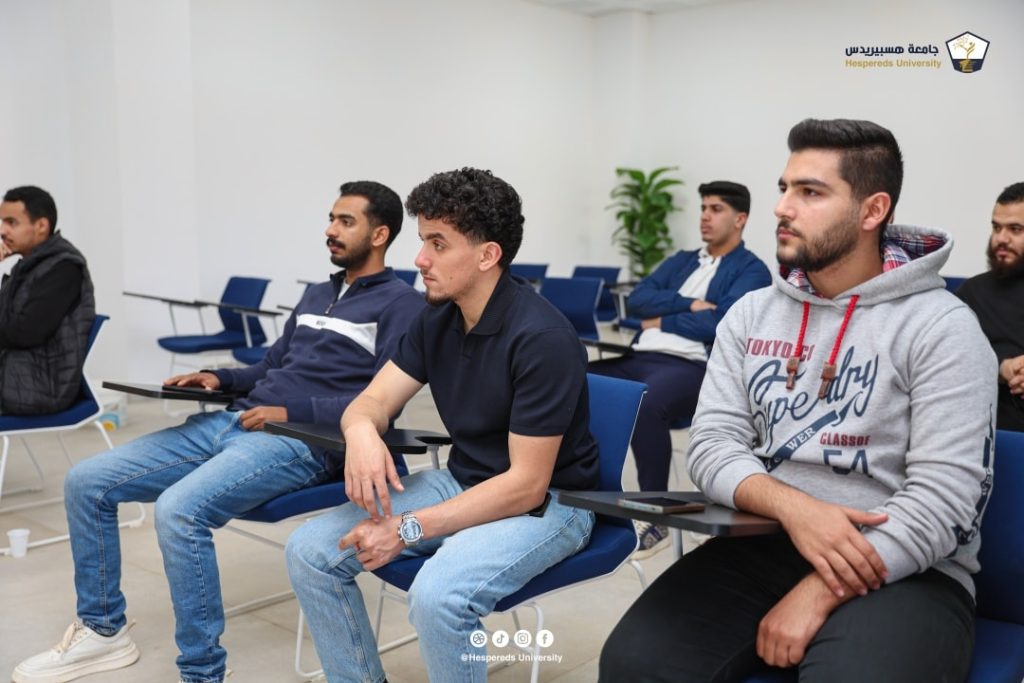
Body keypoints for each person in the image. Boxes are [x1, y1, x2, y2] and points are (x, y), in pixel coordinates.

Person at [599, 119, 996, 682]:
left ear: (872, 210)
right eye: (785, 188)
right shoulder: (753, 313)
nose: (782, 207)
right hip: (762, 542)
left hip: (909, 566)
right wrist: (797, 509)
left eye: (810, 192)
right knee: (632, 665)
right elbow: (711, 445)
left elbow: (945, 500)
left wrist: (819, 591)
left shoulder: (943, 327)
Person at [12, 181, 425, 683]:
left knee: (179, 510)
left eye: (345, 222)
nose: (330, 230)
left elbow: (381, 404)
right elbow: (270, 366)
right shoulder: (318, 293)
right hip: (235, 419)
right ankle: (103, 631)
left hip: (301, 441)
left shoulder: (403, 305)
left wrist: (287, 410)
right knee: (87, 481)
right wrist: (219, 377)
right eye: (331, 218)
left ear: (379, 234)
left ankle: (203, 672)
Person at [284, 167, 599, 683]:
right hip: (464, 479)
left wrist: (406, 528)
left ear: (487, 255)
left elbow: (526, 485)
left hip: (552, 503)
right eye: (422, 240)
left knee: (437, 596)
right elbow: (371, 401)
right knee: (309, 551)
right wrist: (361, 433)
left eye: (437, 243)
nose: (419, 259)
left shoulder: (542, 338)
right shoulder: (438, 316)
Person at [589, 181, 770, 554]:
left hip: (693, 365)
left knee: (646, 401)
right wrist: (688, 304)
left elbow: (721, 324)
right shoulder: (683, 260)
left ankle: (656, 518)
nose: (705, 216)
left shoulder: (752, 271)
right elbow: (638, 299)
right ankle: (584, 505)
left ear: (740, 219)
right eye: (703, 208)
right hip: (639, 357)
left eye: (716, 209)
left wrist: (660, 320)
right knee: (573, 384)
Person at [0, 185, 95, 415]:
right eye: (2, 222)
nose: (2, 231)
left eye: (11, 222)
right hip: (17, 372)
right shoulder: (29, 266)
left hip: (37, 385)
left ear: (41, 226)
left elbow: (24, 333)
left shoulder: (64, 268)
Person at [956, 182, 1024, 432]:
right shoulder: (971, 294)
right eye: (996, 228)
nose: (1001, 239)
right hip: (990, 432)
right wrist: (1000, 368)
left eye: (1015, 229)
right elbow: (952, 362)